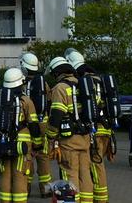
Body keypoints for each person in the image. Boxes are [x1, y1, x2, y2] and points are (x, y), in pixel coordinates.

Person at [66, 50, 111, 203]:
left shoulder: (82, 80)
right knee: (98, 164)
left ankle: (97, 198)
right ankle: (100, 198)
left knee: (93, 165)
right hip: (105, 128)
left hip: (93, 130)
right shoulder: (99, 78)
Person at [45, 57, 92, 203]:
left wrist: (50, 135)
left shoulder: (60, 88)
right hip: (84, 138)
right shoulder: (81, 84)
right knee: (85, 175)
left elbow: (56, 116)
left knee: (69, 175)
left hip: (69, 141)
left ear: (56, 73)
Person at [0, 67, 39, 203]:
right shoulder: (26, 100)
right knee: (19, 175)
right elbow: (33, 125)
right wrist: (37, 143)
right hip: (21, 145)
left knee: (5, 175)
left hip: (2, 142)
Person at [20, 52, 52, 197]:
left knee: (28, 156)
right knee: (43, 157)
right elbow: (50, 102)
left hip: (27, 125)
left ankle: (24, 188)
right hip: (43, 124)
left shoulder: (20, 83)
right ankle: (45, 189)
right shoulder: (43, 83)